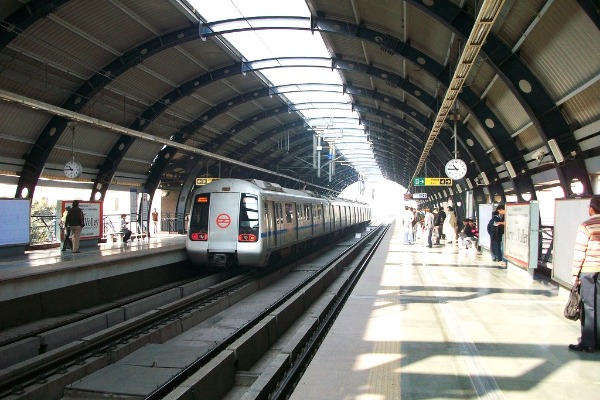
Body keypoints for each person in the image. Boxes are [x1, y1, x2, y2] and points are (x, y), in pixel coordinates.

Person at [569, 196, 600, 353]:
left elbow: (580, 251)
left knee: (588, 306)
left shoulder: (586, 226)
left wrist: (575, 274)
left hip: (588, 270)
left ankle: (588, 342)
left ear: (592, 209)